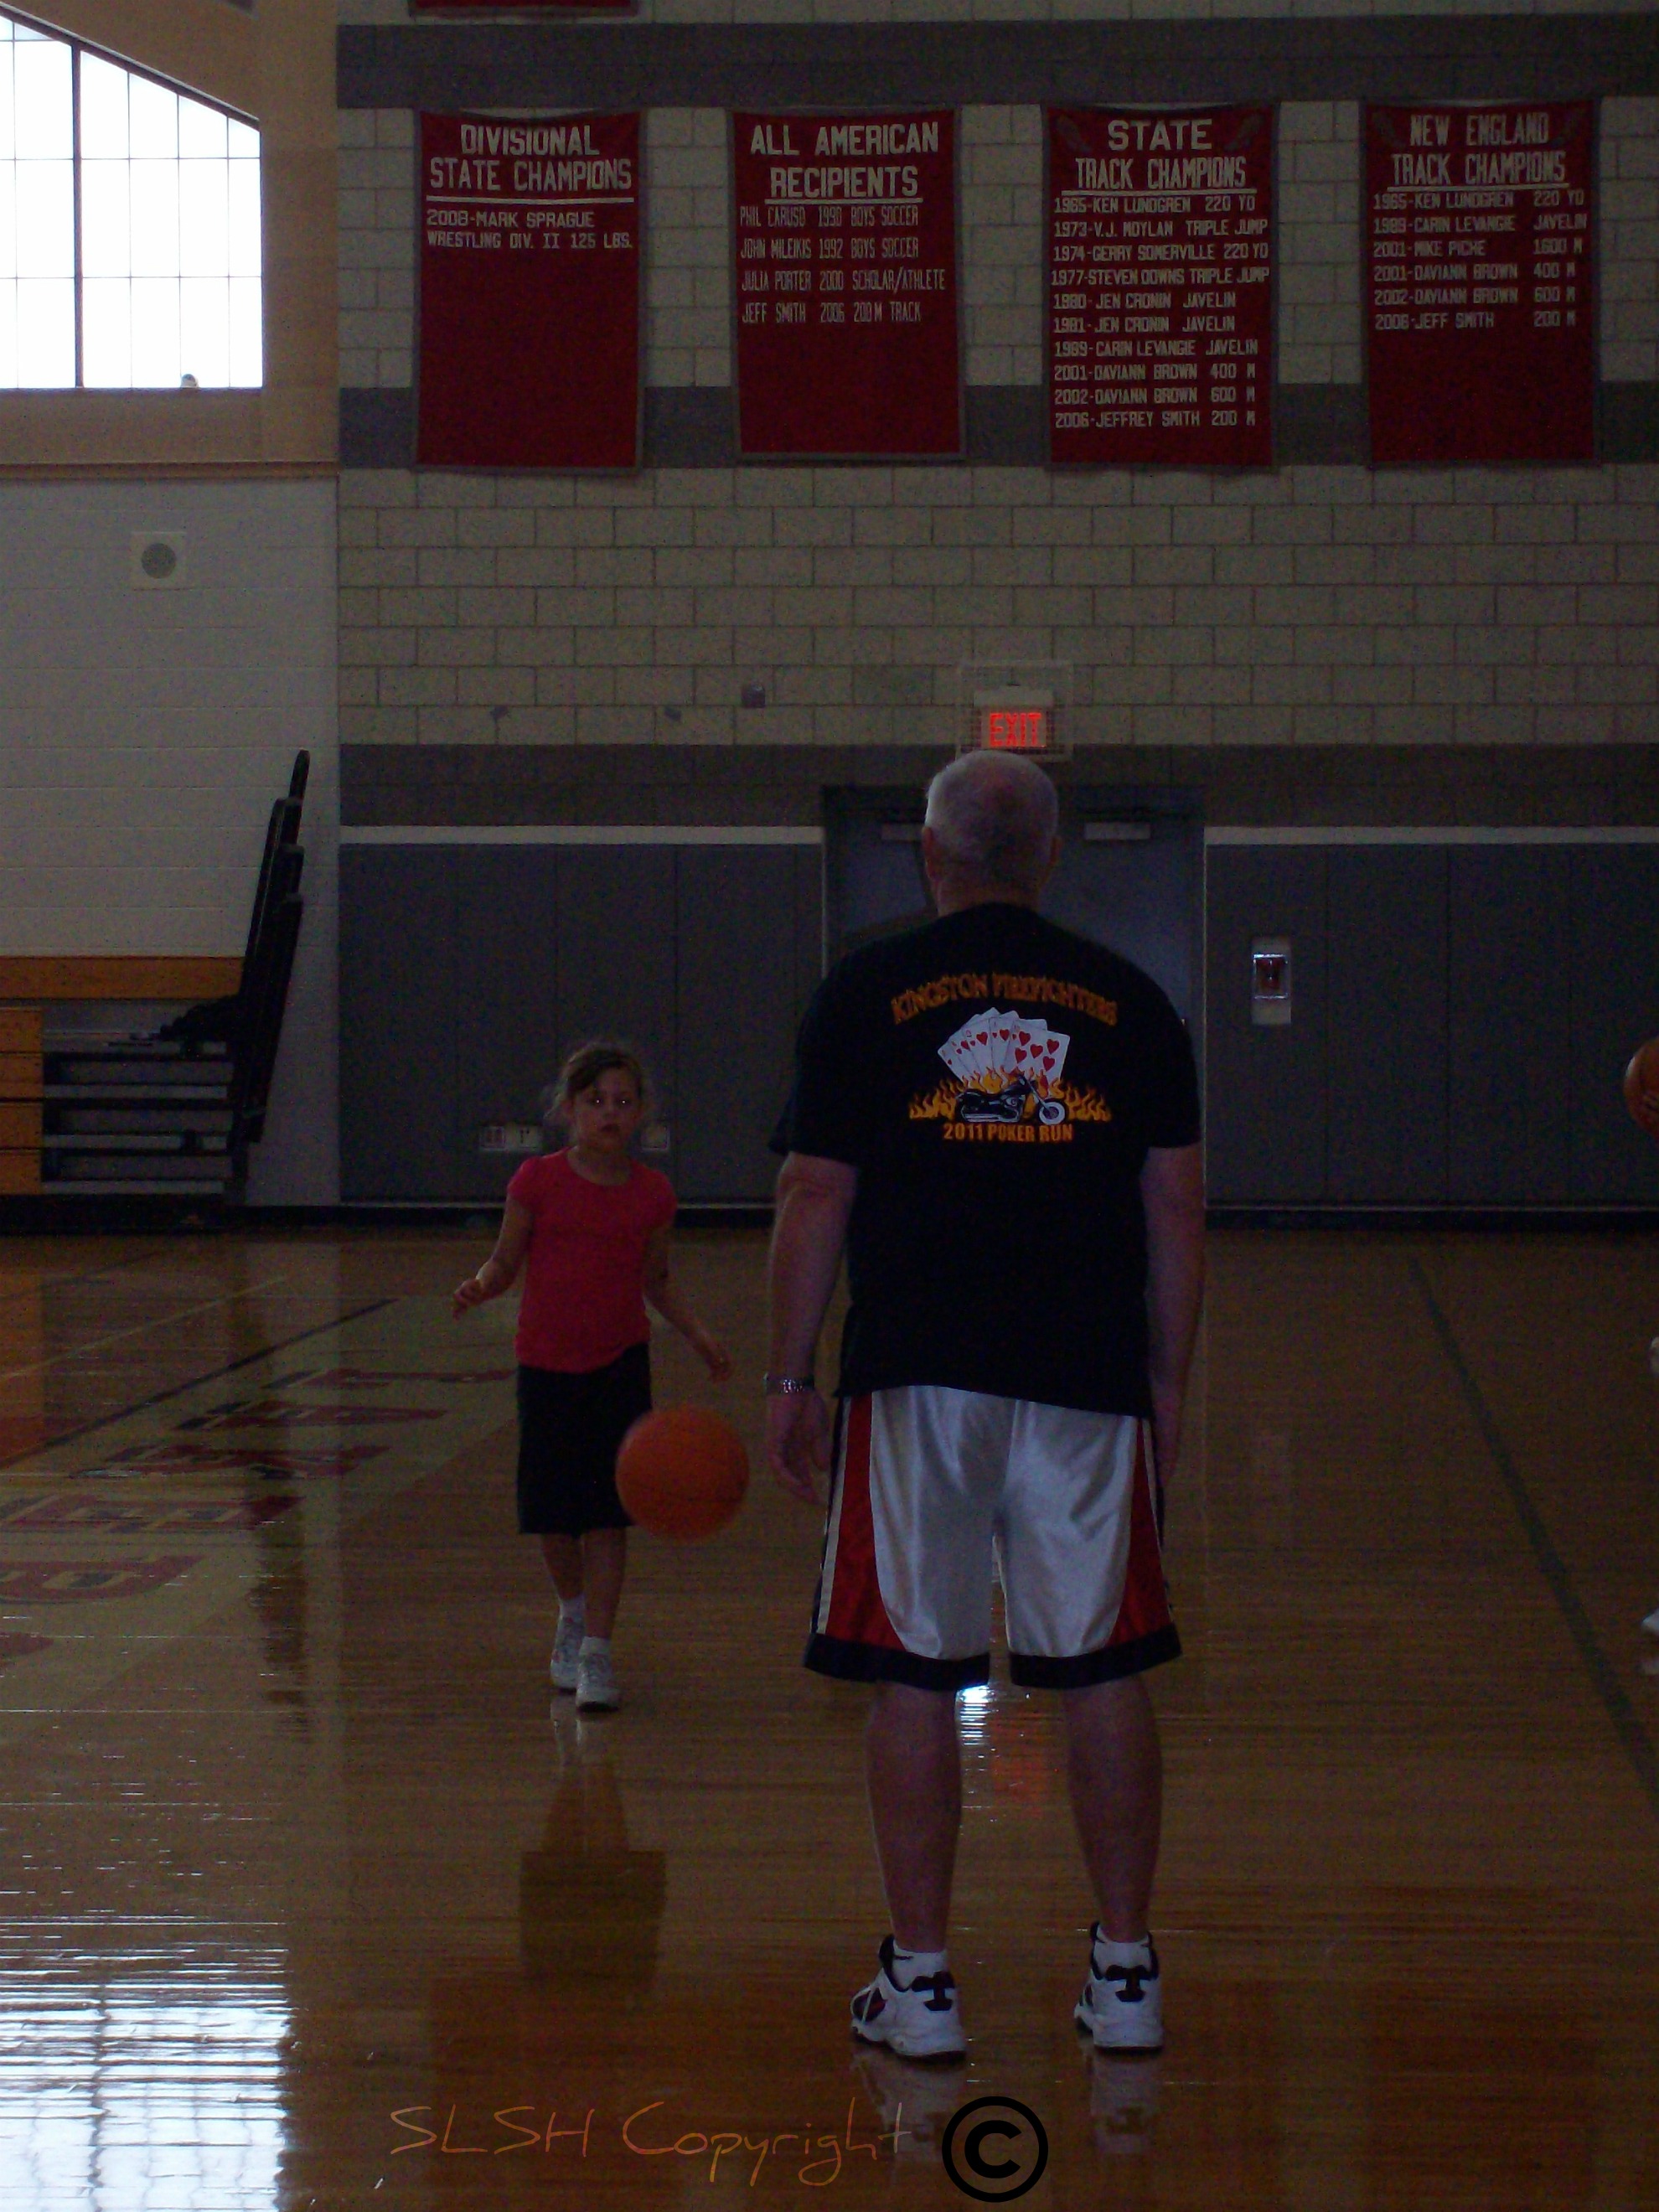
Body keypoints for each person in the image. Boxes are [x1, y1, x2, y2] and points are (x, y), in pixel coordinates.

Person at [766, 751, 1205, 2060]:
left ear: (931, 853)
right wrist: (1167, 1384)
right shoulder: (1132, 1001)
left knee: (913, 1670)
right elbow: (1176, 1206)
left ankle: (924, 1983)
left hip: (915, 1378)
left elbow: (814, 1195)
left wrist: (792, 1377)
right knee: (1105, 1669)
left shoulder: (865, 989)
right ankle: (1126, 1978)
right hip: (1085, 1381)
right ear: (1050, 858)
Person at [454, 1041, 731, 1712]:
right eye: (596, 1100)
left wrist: (697, 1335)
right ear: (570, 1108)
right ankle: (572, 1612)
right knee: (554, 1517)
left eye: (623, 1101)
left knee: (608, 1516)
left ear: (640, 1115)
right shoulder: (537, 1182)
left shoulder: (652, 1195)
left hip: (618, 1368)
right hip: (546, 1368)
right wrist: (481, 1287)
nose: (609, 1113)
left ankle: (598, 1654)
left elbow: (657, 1282)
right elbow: (505, 1261)